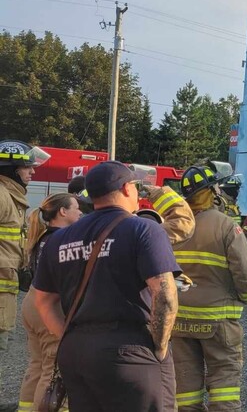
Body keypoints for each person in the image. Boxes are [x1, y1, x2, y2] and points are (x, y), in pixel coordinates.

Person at [32, 160, 182, 411]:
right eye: (135, 186)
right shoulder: (143, 228)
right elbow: (165, 295)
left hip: (77, 352)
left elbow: (43, 301)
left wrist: (70, 337)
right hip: (130, 350)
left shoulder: (59, 238)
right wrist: (159, 347)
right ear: (125, 188)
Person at [172, 165, 247, 411]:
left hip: (180, 320)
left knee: (184, 387)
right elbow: (244, 271)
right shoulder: (226, 225)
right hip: (218, 319)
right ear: (211, 191)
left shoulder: (173, 226)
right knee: (224, 380)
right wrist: (246, 295)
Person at [17, 193, 83, 412]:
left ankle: (26, 408)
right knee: (53, 369)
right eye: (76, 208)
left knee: (37, 365)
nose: (80, 212)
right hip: (49, 306)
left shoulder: (44, 237)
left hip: (32, 302)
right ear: (63, 212)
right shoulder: (64, 239)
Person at [0, 140, 48, 412]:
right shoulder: (1, 195)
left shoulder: (10, 196)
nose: (32, 172)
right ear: (10, 168)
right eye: (26, 167)